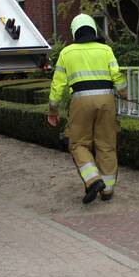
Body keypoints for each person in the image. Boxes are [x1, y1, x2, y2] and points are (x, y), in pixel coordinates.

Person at [47, 13, 127, 203]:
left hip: (80, 101)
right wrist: (124, 94)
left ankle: (93, 180)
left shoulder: (66, 53)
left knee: (79, 144)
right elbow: (117, 76)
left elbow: (57, 85)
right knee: (106, 144)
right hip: (106, 99)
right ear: (93, 29)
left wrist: (53, 111)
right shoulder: (106, 49)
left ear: (75, 32)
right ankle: (107, 190)